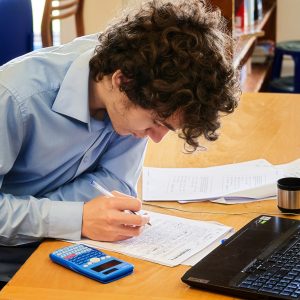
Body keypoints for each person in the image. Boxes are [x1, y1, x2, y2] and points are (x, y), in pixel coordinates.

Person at [0, 0, 240, 287]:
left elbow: (115, 184)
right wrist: (75, 217)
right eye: (156, 122)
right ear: (121, 81)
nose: (156, 137)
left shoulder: (139, 89)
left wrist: (68, 216)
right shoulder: (16, 98)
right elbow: (98, 200)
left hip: (66, 246)